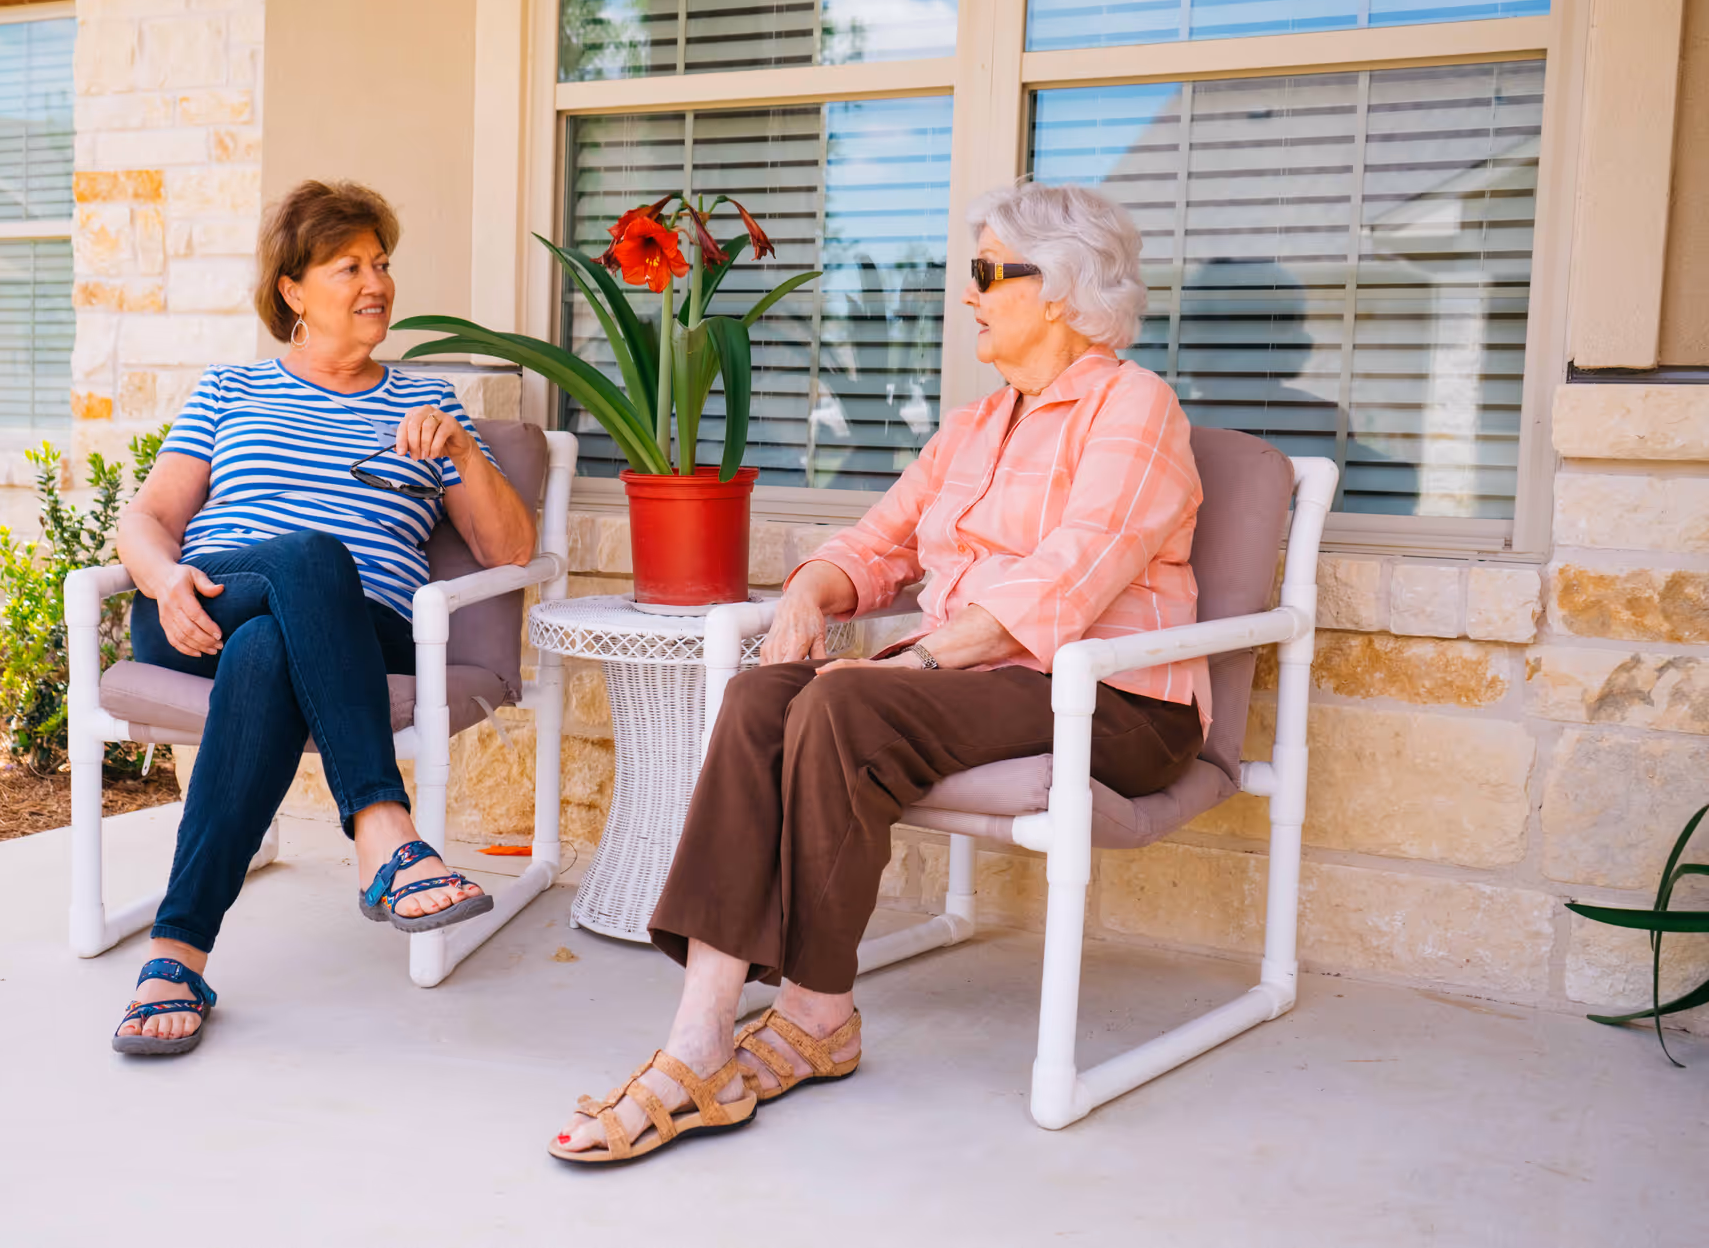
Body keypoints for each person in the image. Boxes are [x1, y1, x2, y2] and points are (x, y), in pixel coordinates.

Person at [550, 182, 1208, 1163]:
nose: (970, 291)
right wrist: (812, 594)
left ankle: (816, 1014)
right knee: (764, 692)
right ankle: (701, 1031)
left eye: (990, 272)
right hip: (977, 683)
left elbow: (1069, 579)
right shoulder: (978, 425)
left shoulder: (1133, 408)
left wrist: (915, 659)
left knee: (845, 699)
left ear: (1062, 292)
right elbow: (879, 542)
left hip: (1112, 700)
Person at [109, 180, 536, 1055]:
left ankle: (175, 951)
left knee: (280, 633)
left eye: (382, 264)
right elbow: (145, 520)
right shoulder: (230, 389)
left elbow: (509, 551)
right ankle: (382, 827)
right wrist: (164, 581)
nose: (376, 282)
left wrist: (459, 450)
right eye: (350, 266)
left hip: (358, 628)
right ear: (294, 289)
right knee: (302, 560)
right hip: (200, 609)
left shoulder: (432, 409)